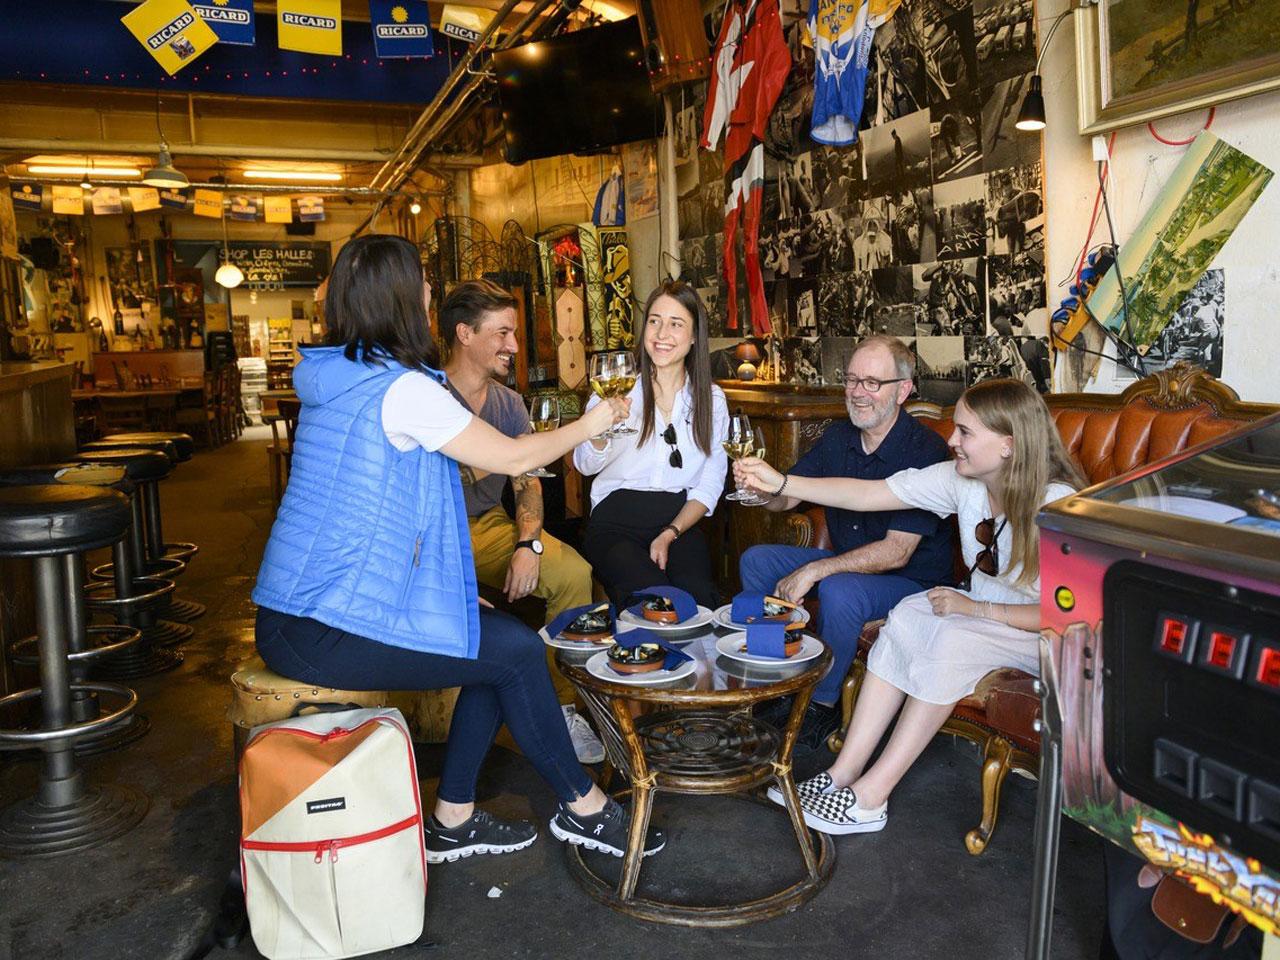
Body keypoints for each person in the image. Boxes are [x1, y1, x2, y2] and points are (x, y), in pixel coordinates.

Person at [253, 234, 663, 864]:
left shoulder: (341, 375)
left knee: (492, 640)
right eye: (420, 282)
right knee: (516, 652)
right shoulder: (404, 390)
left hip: (302, 609)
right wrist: (594, 421)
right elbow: (517, 456)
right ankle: (584, 808)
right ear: (396, 297)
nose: (427, 293)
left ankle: (455, 817)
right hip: (324, 621)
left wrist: (441, 587)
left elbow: (375, 513)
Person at [737, 378, 1083, 834]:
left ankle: (870, 798)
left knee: (951, 634)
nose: (952, 441)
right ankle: (842, 773)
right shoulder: (964, 481)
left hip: (1045, 638)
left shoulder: (1058, 506)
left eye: (965, 432)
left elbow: (1070, 614)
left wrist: (978, 612)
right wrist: (782, 481)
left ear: (1008, 445)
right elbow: (868, 494)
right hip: (982, 617)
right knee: (911, 614)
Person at [738, 336, 954, 748]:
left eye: (872, 382)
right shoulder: (839, 438)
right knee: (757, 561)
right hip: (847, 562)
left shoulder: (926, 450)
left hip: (912, 581)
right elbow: (787, 498)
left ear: (903, 390)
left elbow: (896, 552)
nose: (858, 391)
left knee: (839, 588)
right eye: (852, 379)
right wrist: (759, 488)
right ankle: (773, 680)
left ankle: (823, 704)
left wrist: (816, 568)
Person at [439, 279, 603, 764]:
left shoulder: (509, 403)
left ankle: (563, 710)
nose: (514, 346)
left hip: (486, 524)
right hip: (428, 531)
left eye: (514, 334)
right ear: (465, 333)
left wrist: (528, 544)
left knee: (574, 571)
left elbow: (527, 480)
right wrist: (516, 456)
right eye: (503, 333)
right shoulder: (425, 391)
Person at [573, 280, 728, 610]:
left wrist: (671, 532)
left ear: (693, 336)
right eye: (655, 321)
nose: (661, 334)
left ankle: (695, 664)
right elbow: (584, 464)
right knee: (659, 603)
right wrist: (601, 427)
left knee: (698, 601)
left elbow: (711, 483)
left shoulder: (711, 400)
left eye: (676, 324)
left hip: (679, 521)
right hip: (615, 520)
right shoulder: (619, 388)